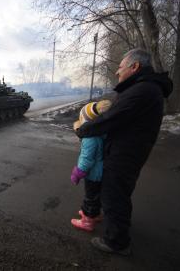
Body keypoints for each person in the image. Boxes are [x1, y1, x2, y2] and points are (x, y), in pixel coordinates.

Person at [74, 49, 173, 255]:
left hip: (124, 154)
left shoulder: (142, 90)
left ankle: (116, 242)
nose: (118, 72)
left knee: (114, 195)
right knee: (117, 193)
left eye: (121, 67)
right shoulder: (146, 88)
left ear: (134, 66)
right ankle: (116, 227)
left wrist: (83, 130)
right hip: (129, 151)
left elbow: (112, 118)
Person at [70, 100, 112, 232]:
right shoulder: (100, 133)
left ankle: (88, 220)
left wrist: (78, 172)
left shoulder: (89, 137)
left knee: (90, 197)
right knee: (96, 195)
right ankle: (95, 214)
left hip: (93, 174)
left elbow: (87, 158)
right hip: (100, 171)